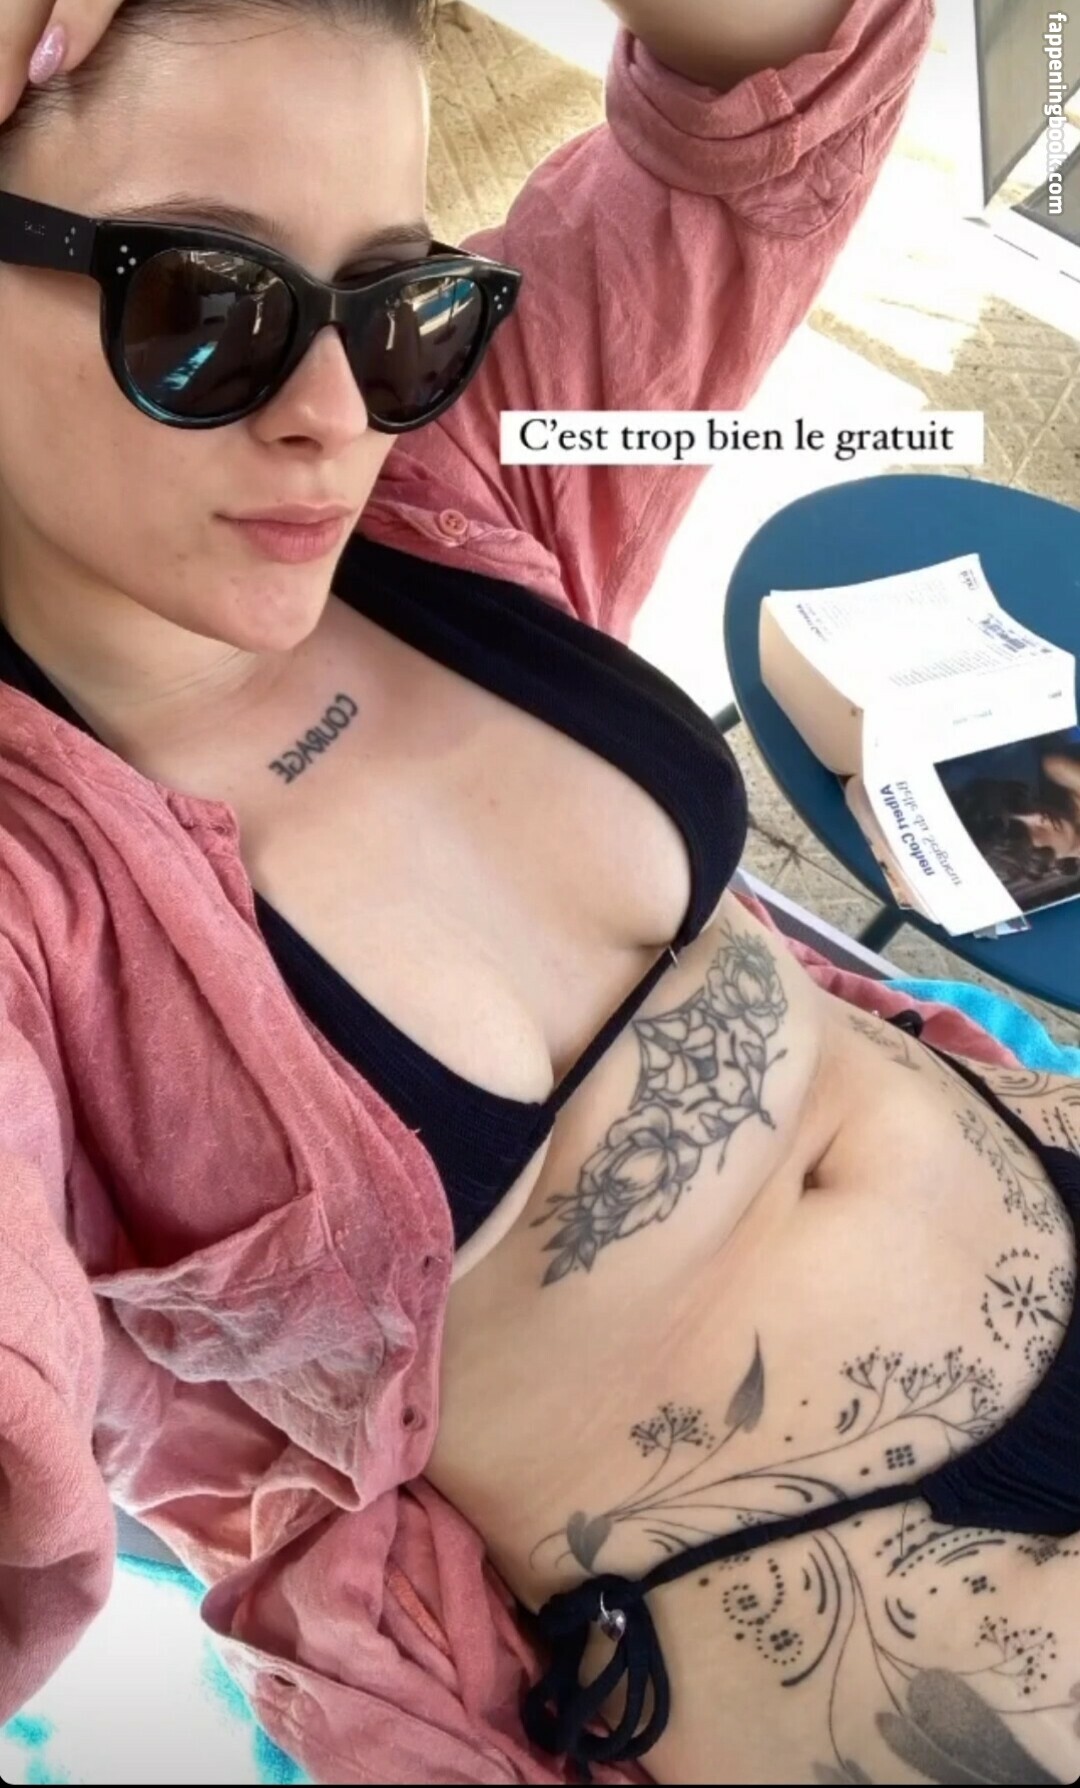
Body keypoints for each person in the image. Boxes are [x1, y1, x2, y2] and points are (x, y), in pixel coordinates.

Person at [0, 2, 1077, 1783]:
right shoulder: (40, 917)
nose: (332, 417)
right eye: (204, 307)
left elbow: (766, 116)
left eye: (389, 308)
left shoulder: (459, 482)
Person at [952, 732, 1080, 891]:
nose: (1037, 816)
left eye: (1019, 806)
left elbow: (1054, 765)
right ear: (1035, 861)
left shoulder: (1058, 770)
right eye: (1027, 832)